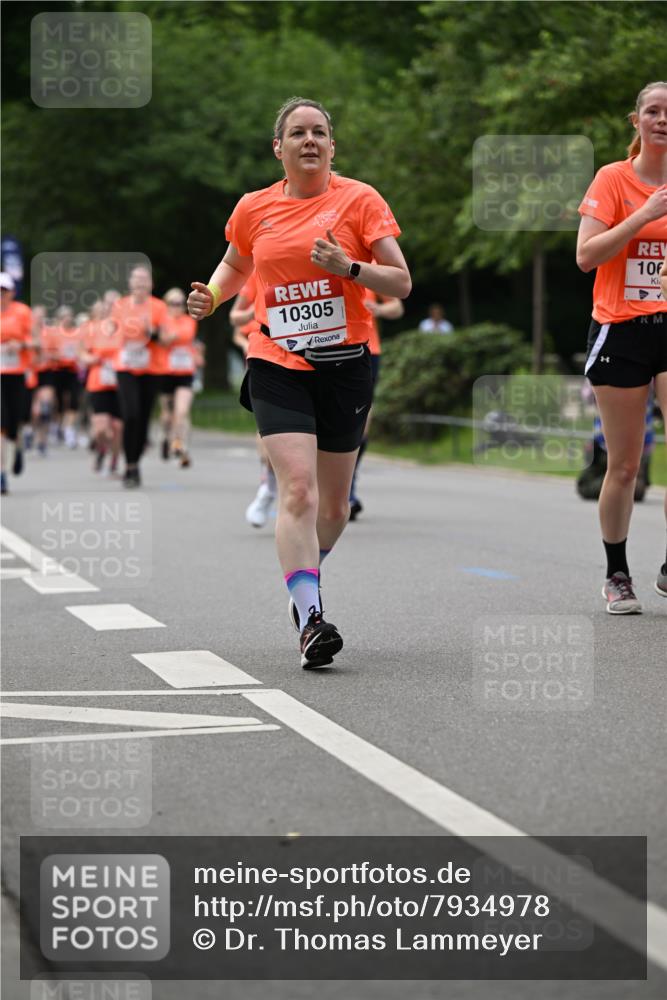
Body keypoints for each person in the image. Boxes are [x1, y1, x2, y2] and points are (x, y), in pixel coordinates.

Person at [188, 97, 411, 668]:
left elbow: (402, 282)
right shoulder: (253, 208)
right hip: (276, 361)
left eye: (319, 133)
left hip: (346, 364)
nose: (309, 141)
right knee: (300, 492)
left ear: (332, 147)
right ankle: (312, 618)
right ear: (278, 147)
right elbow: (237, 266)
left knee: (333, 507)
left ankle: (303, 582)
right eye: (297, 133)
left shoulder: (361, 201)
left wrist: (350, 269)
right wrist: (212, 296)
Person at [576, 80, 667, 612]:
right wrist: (643, 215)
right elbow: (587, 255)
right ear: (636, 121)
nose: (662, 119)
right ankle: (617, 573)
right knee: (625, 465)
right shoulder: (613, 178)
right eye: (652, 111)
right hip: (621, 330)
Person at [349, 287, 404, 519]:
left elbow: (397, 306)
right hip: (324, 347)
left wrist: (379, 309)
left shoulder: (369, 262)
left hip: (367, 350)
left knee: (362, 421)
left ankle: (348, 485)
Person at [230, 271, 279, 527]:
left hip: (316, 358)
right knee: (268, 431)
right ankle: (269, 486)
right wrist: (253, 313)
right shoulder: (256, 275)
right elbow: (234, 317)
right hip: (266, 358)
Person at [111, 265, 167, 487]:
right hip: (125, 367)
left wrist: (149, 331)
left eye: (144, 281)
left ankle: (135, 463)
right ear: (130, 284)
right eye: (136, 280)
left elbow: (164, 338)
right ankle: (129, 465)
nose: (140, 284)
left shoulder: (159, 307)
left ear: (151, 285)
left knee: (143, 417)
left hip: (151, 368)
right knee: (131, 414)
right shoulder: (120, 306)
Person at [155, 287, 198, 467]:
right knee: (166, 415)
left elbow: (186, 336)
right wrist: (167, 338)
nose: (177, 307)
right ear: (166, 304)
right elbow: (160, 340)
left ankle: (181, 446)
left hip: (185, 372)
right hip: (165, 371)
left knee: (182, 412)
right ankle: (166, 436)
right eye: (173, 303)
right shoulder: (161, 320)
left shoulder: (189, 321)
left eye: (181, 303)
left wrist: (170, 338)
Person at [79, 299, 122, 474]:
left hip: (120, 382)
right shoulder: (91, 329)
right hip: (98, 382)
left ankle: (114, 460)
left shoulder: (123, 328)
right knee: (101, 429)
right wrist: (91, 359)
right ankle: (103, 448)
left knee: (118, 427)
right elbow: (81, 353)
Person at [0, 272, 32, 495]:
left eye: (4, 290)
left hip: (17, 373)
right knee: (1, 424)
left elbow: (36, 339)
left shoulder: (22, 312)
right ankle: (2, 474)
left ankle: (17, 446)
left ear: (12, 292)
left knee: (13, 424)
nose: (1, 295)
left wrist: (19, 345)